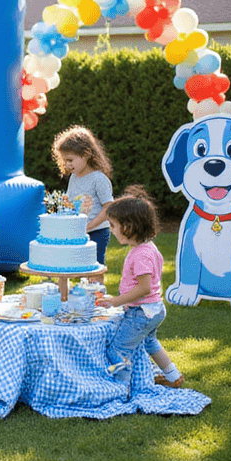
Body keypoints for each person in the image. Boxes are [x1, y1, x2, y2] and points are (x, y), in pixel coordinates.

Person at [97, 186, 185, 392]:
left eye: (113, 225)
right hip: (153, 309)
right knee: (150, 343)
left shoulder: (140, 254)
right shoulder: (147, 247)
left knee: (118, 349)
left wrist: (117, 301)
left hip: (142, 313)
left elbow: (145, 288)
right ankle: (173, 376)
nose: (111, 229)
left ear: (129, 226)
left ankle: (120, 389)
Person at [51, 125, 115, 266]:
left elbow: (109, 207)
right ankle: (76, 289)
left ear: (85, 155)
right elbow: (70, 202)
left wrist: (88, 227)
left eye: (70, 160)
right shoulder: (74, 177)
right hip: (79, 231)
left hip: (97, 231)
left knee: (94, 267)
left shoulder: (99, 179)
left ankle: (97, 289)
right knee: (77, 266)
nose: (67, 164)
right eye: (64, 160)